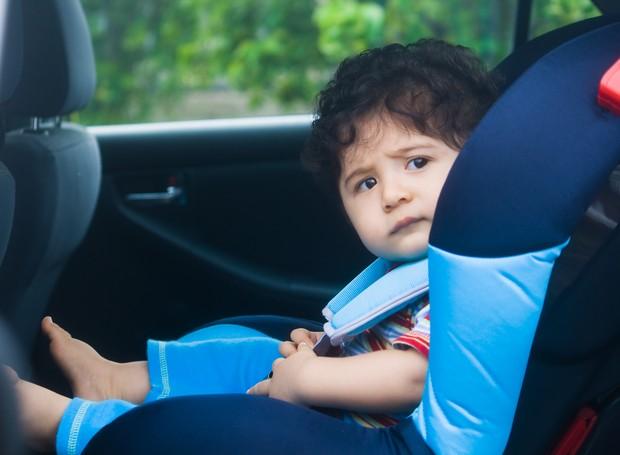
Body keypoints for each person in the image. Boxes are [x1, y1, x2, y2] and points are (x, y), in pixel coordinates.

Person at [10, 39, 499, 454]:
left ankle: (59, 424)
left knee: (213, 430)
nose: (393, 194)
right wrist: (327, 354)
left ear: (480, 161)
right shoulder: (418, 265)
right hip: (351, 401)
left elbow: (415, 374)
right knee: (242, 356)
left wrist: (308, 380)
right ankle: (118, 381)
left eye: (416, 163)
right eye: (366, 182)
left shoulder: (470, 280)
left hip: (378, 433)